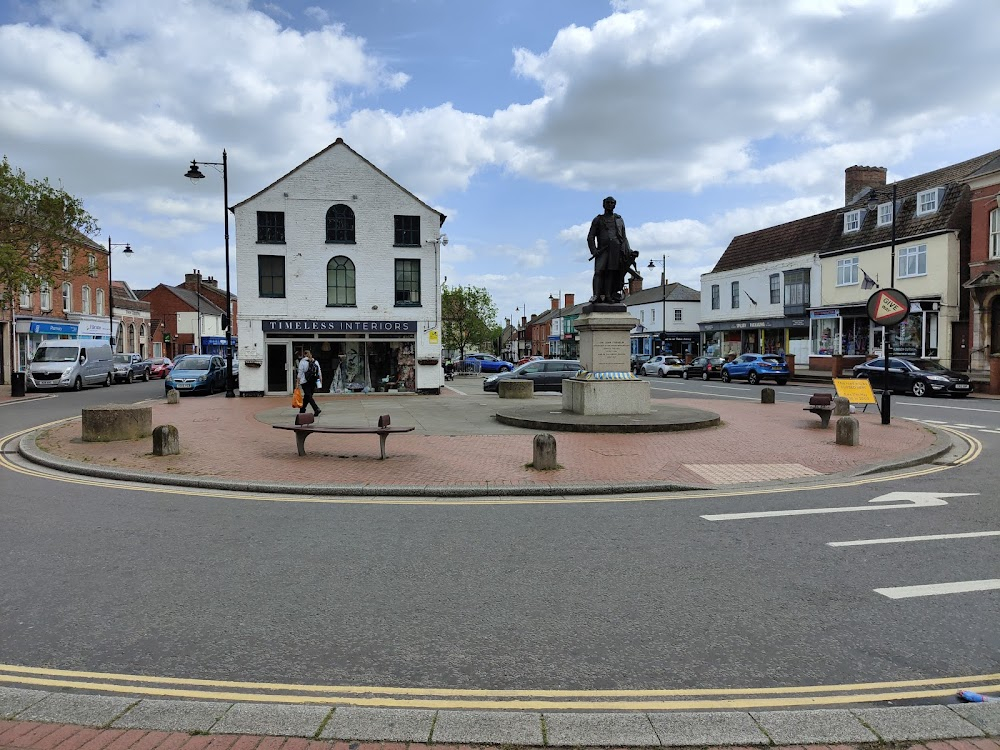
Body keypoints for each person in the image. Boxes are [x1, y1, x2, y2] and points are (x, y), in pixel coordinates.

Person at [587, 196, 631, 303]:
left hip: (616, 249)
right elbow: (590, 237)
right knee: (598, 271)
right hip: (602, 250)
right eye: (608, 202)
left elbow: (624, 237)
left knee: (610, 273)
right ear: (603, 204)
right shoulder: (598, 219)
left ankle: (608, 295)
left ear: (615, 205)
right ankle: (596, 295)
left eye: (612, 203)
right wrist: (594, 250)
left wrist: (628, 250)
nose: (610, 205)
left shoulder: (619, 219)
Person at [297, 349, 322, 417]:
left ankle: (316, 408)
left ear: (304, 354)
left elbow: (300, 372)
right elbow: (319, 372)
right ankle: (302, 409)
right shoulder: (315, 361)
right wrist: (320, 381)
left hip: (304, 381)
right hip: (313, 381)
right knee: (307, 396)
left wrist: (297, 382)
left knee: (308, 396)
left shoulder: (302, 362)